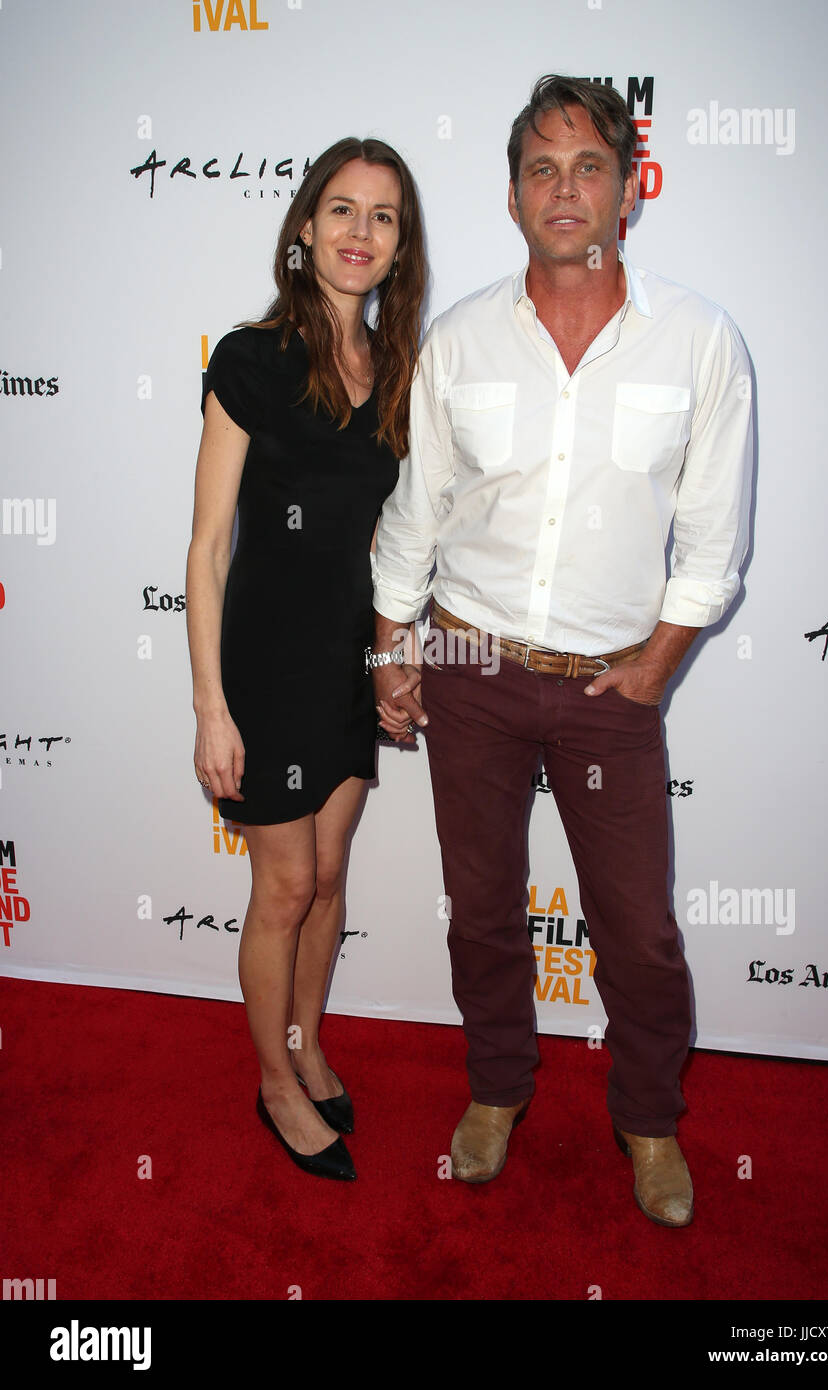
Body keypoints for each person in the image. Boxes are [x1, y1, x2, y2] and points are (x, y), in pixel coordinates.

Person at [370, 76, 753, 1225]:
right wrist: (391, 646)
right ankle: (496, 1091)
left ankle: (645, 1117)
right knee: (481, 906)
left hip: (606, 686)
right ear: (510, 196)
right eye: (540, 168)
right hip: (471, 669)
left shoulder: (696, 341)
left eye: (586, 164)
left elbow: (712, 536)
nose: (563, 188)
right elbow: (417, 507)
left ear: (628, 188)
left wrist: (653, 666)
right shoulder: (461, 339)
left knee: (634, 927)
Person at [186, 137, 426, 1181]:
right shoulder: (250, 359)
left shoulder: (397, 372)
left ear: (398, 243)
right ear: (303, 227)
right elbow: (204, 548)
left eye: (380, 215)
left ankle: (307, 1044)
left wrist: (396, 654)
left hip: (347, 660)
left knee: (328, 876)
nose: (357, 232)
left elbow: (394, 541)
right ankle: (275, 1084)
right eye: (340, 209)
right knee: (283, 886)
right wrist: (210, 708)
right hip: (268, 662)